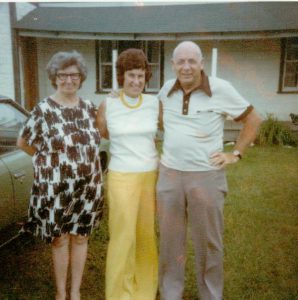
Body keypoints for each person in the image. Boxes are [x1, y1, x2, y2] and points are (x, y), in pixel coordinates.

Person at [157, 41, 262, 300]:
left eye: (192, 61)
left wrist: (235, 153)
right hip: (169, 175)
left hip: (205, 176)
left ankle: (210, 295)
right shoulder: (165, 90)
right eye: (180, 61)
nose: (186, 66)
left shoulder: (221, 89)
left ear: (202, 64)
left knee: (209, 243)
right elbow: (161, 119)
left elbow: (253, 119)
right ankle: (171, 293)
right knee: (170, 242)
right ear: (173, 65)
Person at [17, 50, 104, 300]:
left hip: (88, 187)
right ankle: (60, 292)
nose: (68, 80)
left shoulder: (89, 108)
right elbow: (23, 142)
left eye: (74, 75)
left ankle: (75, 292)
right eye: (63, 75)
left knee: (80, 239)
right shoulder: (44, 109)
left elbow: (98, 139)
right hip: (55, 188)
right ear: (54, 77)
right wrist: (44, 160)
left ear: (81, 78)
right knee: (60, 240)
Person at [96, 48, 159, 300]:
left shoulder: (155, 103)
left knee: (145, 234)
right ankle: (120, 294)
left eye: (141, 76)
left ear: (146, 76)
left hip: (149, 176)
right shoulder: (108, 104)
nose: (136, 81)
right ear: (121, 76)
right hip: (121, 175)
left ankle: (144, 291)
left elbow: (162, 131)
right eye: (131, 75)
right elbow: (103, 133)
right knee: (123, 237)